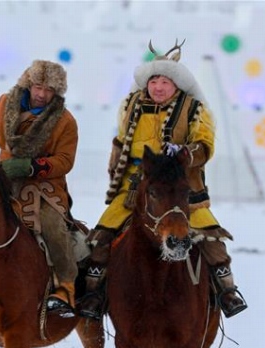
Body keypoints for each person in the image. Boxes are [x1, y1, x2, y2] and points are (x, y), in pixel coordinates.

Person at [79, 40, 248, 320]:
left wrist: (184, 153)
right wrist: (116, 172)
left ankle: (226, 291)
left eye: (165, 82)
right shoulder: (130, 105)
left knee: (210, 235)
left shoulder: (195, 109)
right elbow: (121, 141)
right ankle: (94, 293)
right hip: (136, 186)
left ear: (176, 85)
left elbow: (205, 146)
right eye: (154, 81)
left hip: (180, 188)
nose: (158, 87)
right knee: (102, 235)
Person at [0, 59, 79, 318]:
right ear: (28, 84)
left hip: (44, 188)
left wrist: (32, 166)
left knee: (52, 224)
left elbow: (65, 161)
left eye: (48, 89)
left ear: (56, 92)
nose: (41, 94)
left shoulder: (65, 121)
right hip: (1, 181)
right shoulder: (5, 104)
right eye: (38, 87)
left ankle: (65, 286)